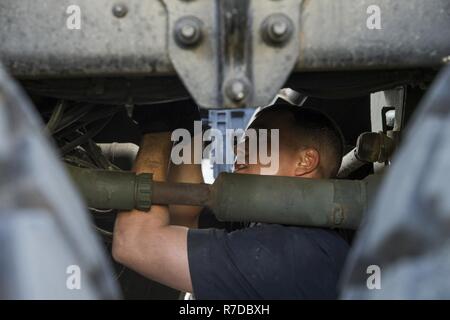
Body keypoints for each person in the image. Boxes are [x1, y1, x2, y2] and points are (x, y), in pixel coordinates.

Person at [112, 102, 349, 299]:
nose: (239, 148)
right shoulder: (277, 233)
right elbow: (183, 219)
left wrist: (157, 130)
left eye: (259, 138)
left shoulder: (296, 253)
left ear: (305, 161)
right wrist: (187, 133)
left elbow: (135, 242)